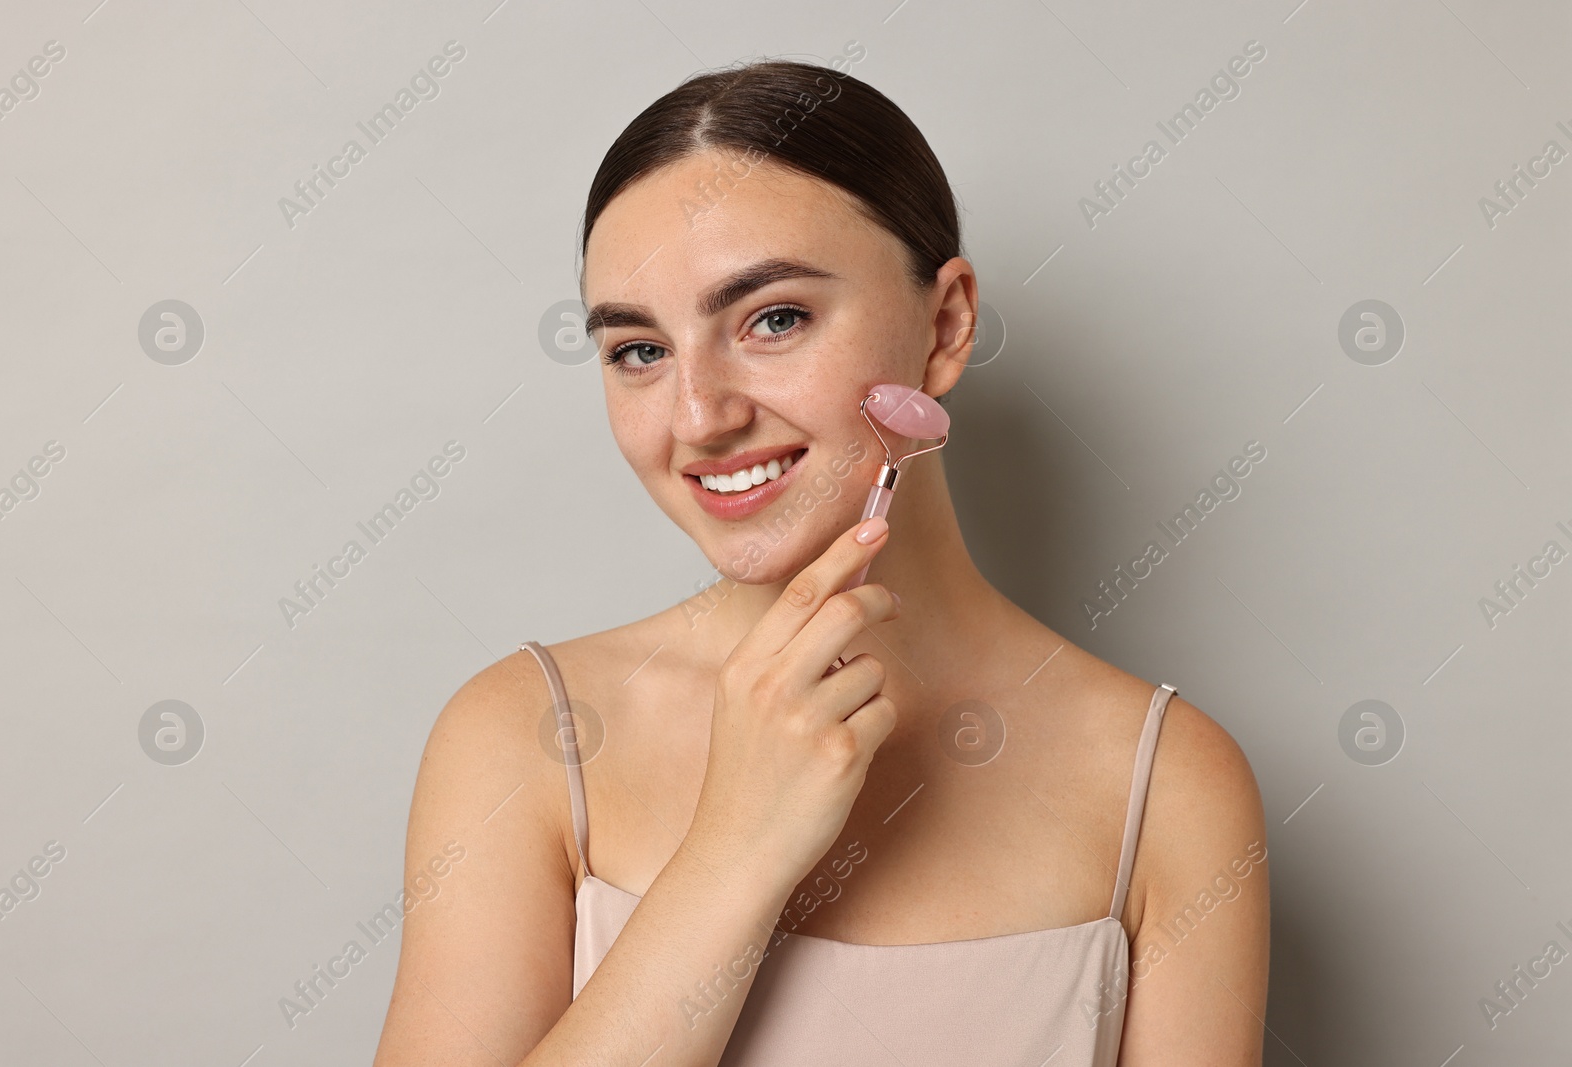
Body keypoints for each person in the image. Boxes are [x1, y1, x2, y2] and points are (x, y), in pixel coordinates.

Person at [374, 58, 1268, 1066]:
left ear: (944, 325)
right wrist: (735, 846)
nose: (700, 415)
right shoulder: (525, 740)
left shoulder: (1167, 785)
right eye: (639, 350)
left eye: (774, 319)